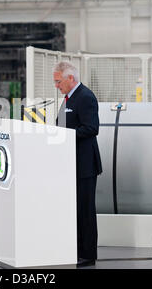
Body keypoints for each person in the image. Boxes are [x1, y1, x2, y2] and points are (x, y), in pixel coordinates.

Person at [53, 61, 102, 268]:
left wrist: (65, 135)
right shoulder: (69, 98)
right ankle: (76, 249)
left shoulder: (85, 97)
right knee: (74, 210)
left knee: (85, 210)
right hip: (71, 164)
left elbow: (92, 128)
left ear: (70, 78)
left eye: (58, 81)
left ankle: (88, 254)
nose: (56, 85)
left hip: (84, 165)